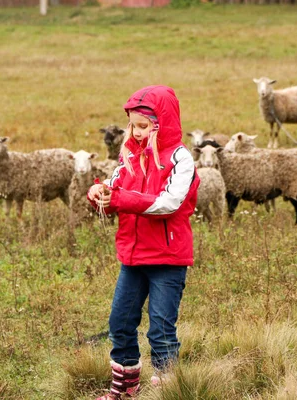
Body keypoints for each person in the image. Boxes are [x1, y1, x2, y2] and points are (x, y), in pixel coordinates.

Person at [87, 85, 200, 399]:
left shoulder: (180, 159)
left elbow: (169, 203)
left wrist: (120, 198)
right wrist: (100, 193)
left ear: (159, 124)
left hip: (167, 258)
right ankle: (125, 388)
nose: (135, 133)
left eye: (142, 126)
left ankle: (169, 390)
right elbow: (115, 185)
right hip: (133, 256)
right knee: (120, 323)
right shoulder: (130, 156)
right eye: (132, 125)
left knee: (161, 329)